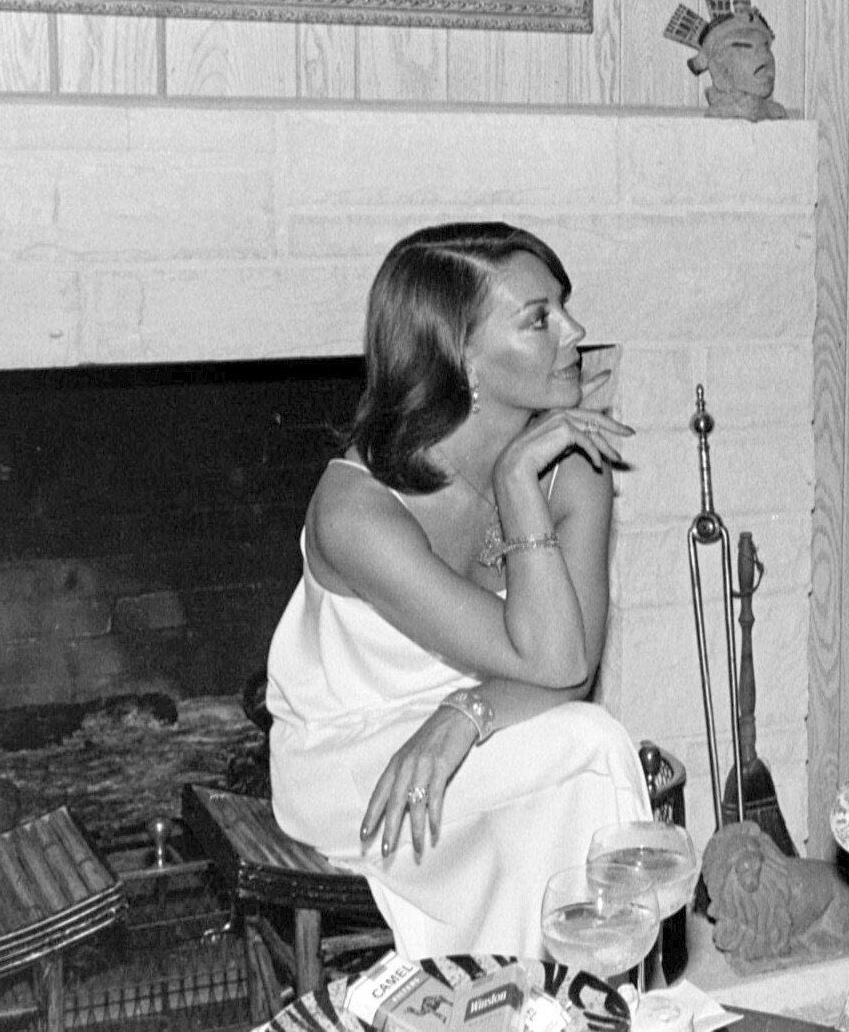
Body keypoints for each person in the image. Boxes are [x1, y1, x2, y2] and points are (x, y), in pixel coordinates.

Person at [266, 221, 652, 959]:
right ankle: (577, 987)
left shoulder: (572, 468)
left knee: (586, 743)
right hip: (352, 761)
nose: (575, 331)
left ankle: (547, 992)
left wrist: (463, 716)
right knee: (589, 746)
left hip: (474, 732)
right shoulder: (356, 510)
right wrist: (515, 479)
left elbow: (568, 667)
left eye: (564, 305)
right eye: (539, 318)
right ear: (460, 355)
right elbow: (555, 669)